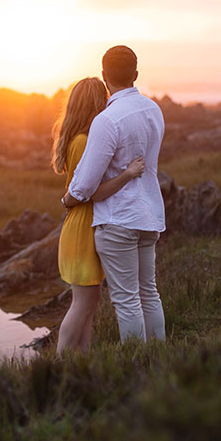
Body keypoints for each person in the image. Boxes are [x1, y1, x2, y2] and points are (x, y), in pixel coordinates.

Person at [64, 45, 166, 343]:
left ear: (104, 76)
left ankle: (135, 365)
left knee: (126, 300)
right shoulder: (153, 110)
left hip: (117, 221)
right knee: (149, 292)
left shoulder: (106, 120)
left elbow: (83, 187)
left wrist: (67, 199)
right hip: (149, 215)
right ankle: (158, 357)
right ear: (135, 74)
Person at [52, 77, 146, 353]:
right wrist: (128, 174)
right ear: (96, 102)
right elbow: (88, 192)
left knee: (90, 305)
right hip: (82, 230)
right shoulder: (82, 141)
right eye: (103, 98)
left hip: (82, 226)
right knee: (82, 303)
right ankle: (60, 363)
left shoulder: (80, 138)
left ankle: (82, 364)